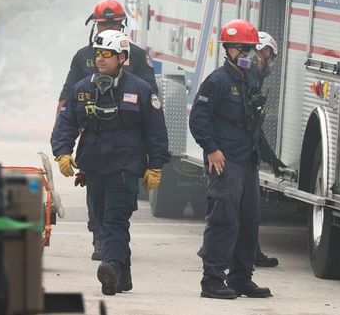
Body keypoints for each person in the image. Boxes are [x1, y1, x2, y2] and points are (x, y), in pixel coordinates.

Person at [51, 30, 170, 295]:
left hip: (125, 168)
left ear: (122, 58)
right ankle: (124, 276)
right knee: (104, 220)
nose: (100, 60)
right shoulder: (83, 90)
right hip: (94, 167)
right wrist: (62, 152)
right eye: (97, 54)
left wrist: (156, 165)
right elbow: (66, 123)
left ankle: (111, 267)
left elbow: (157, 132)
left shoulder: (141, 90)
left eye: (107, 54)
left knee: (116, 221)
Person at [57, 0, 158, 261]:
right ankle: (99, 237)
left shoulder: (136, 58)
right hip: (93, 142)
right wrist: (62, 148)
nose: (108, 28)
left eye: (113, 23)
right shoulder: (83, 57)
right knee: (96, 198)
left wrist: (155, 162)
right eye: (104, 24)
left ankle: (114, 256)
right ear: (96, 26)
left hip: (126, 149)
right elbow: (67, 101)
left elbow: (152, 108)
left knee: (118, 209)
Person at [189, 19, 272, 300]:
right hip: (224, 161)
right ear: (228, 50)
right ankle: (212, 279)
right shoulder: (217, 81)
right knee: (224, 220)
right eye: (239, 48)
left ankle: (240, 278)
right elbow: (198, 119)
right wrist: (211, 148)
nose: (245, 54)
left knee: (249, 221)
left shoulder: (250, 79)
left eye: (249, 49)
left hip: (247, 160)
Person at [252, 32, 286, 268]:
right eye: (270, 55)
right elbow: (252, 127)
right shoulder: (251, 77)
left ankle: (251, 252)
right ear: (263, 51)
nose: (270, 62)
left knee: (249, 210)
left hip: (244, 153)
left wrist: (270, 158)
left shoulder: (252, 77)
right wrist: (270, 158)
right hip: (238, 155)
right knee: (243, 210)